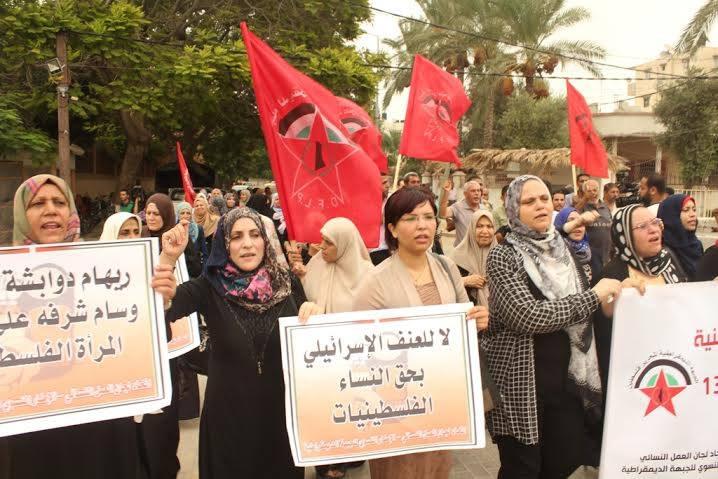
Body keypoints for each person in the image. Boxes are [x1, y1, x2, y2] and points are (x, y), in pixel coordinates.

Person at [153, 207, 320, 479]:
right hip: (228, 418)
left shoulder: (287, 283)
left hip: (278, 418)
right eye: (236, 236)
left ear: (265, 240)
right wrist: (168, 260)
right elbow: (164, 310)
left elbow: (307, 336)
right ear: (224, 245)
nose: (247, 244)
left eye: (255, 234)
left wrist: (313, 312)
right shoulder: (209, 286)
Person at [483, 175, 624, 479]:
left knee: (561, 464)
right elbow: (526, 316)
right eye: (528, 201)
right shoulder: (503, 255)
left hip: (568, 380)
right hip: (522, 385)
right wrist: (593, 296)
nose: (540, 205)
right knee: (523, 469)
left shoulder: (562, 248)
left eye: (544, 199)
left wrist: (618, 297)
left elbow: (586, 312)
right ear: (513, 209)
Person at [7, 174, 143, 479]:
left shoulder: (104, 271)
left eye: (59, 202)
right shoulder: (6, 282)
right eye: (38, 203)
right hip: (33, 435)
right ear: (21, 214)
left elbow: (134, 340)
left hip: (103, 430)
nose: (51, 210)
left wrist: (159, 300)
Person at [353, 187, 489, 479]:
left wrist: (476, 320)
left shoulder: (446, 266)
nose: (422, 225)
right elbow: (355, 344)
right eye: (411, 218)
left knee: (436, 468)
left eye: (428, 217)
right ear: (392, 228)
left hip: (440, 398)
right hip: (395, 407)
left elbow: (462, 319)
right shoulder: (375, 281)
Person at [296, 217, 374, 479]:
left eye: (329, 242)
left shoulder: (368, 274)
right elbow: (305, 299)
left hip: (356, 359)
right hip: (322, 357)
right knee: (325, 408)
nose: (322, 247)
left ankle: (354, 453)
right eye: (322, 240)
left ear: (344, 244)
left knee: (354, 406)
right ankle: (328, 461)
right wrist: (300, 280)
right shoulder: (317, 264)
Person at [593, 204, 687, 413]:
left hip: (674, 368)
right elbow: (602, 327)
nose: (653, 230)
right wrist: (619, 300)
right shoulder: (612, 274)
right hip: (635, 379)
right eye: (642, 226)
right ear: (625, 236)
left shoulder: (668, 261)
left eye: (655, 223)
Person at [449, 210, 496, 307]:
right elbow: (444, 286)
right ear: (471, 228)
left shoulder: (501, 257)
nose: (485, 231)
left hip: (496, 314)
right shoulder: (457, 256)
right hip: (466, 312)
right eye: (479, 226)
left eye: (489, 226)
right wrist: (465, 281)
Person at [657, 194, 703, 280]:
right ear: (672, 215)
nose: (692, 214)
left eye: (694, 210)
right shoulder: (660, 250)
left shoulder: (696, 245)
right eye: (686, 210)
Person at [554, 207, 600, 283]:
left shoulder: (594, 255)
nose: (578, 226)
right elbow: (556, 233)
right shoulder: (555, 255)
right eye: (572, 221)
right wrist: (579, 221)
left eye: (583, 223)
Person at [576, 179, 613, 266]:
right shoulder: (582, 206)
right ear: (584, 193)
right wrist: (585, 199)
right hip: (591, 253)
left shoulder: (605, 206)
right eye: (589, 191)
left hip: (607, 252)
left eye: (595, 190)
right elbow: (575, 213)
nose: (593, 193)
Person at [440, 180, 483, 246]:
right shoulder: (458, 207)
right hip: (463, 250)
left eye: (478, 190)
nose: (477, 193)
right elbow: (443, 214)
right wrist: (446, 193)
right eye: (473, 191)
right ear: (465, 194)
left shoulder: (484, 208)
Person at [369, 175, 392, 266]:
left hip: (387, 249)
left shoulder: (389, 201)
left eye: (388, 182)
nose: (388, 185)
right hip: (372, 250)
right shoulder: (366, 202)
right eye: (384, 183)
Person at [176, 201, 208, 266]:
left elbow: (204, 252)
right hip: (179, 267)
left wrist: (203, 269)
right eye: (182, 213)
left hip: (195, 267)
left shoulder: (198, 229)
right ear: (178, 215)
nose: (185, 216)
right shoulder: (173, 230)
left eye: (188, 213)